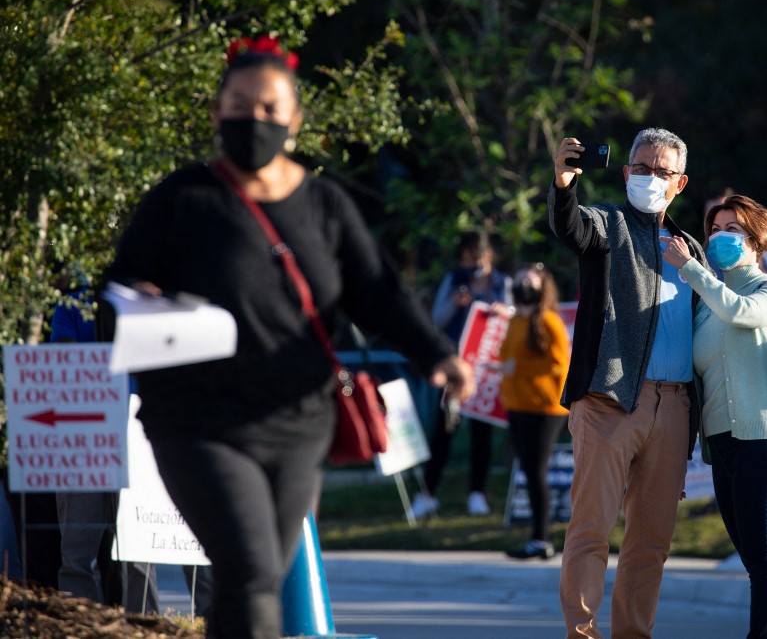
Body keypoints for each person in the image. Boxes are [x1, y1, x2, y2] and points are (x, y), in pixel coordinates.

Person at [102, 35, 473, 639]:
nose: (256, 118)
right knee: (249, 569)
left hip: (298, 423)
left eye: (271, 107)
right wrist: (139, 299)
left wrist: (437, 353)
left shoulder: (325, 204)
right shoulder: (182, 199)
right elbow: (115, 290)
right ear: (217, 114)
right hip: (197, 424)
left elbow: (377, 290)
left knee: (258, 577)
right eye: (240, 104)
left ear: (295, 120)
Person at [548, 129, 767, 638]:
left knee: (651, 542)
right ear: (626, 172)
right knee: (590, 532)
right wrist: (564, 185)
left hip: (673, 410)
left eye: (662, 171)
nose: (650, 178)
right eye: (642, 168)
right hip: (610, 399)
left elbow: (734, 322)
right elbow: (571, 229)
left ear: (681, 183)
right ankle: (581, 634)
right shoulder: (607, 223)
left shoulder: (691, 251)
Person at [664, 194, 767, 639]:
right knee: (762, 558)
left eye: (733, 229)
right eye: (716, 228)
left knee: (765, 559)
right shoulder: (704, 303)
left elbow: (743, 313)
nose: (720, 236)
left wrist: (693, 270)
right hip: (722, 447)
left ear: (757, 239)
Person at [50, 275, 160, 614]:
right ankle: (82, 623)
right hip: (85, 436)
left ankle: (146, 626)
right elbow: (65, 362)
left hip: (133, 433)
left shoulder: (140, 305)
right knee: (77, 550)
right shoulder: (72, 305)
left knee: (138, 550)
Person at [409, 230, 512, 519]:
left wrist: (505, 311)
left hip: (486, 371)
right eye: (465, 260)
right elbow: (436, 321)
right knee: (444, 431)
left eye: (475, 259)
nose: (470, 265)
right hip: (456, 368)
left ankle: (477, 493)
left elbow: (516, 316)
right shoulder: (454, 280)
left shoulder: (501, 283)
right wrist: (455, 302)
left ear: (487, 256)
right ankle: (427, 493)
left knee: (482, 434)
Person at [497, 263, 570, 560]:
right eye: (518, 279)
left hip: (545, 407)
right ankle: (538, 537)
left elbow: (560, 365)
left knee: (536, 472)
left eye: (528, 280)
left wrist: (521, 368)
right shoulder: (515, 321)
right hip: (517, 406)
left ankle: (541, 538)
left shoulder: (549, 321)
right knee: (528, 470)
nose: (521, 284)